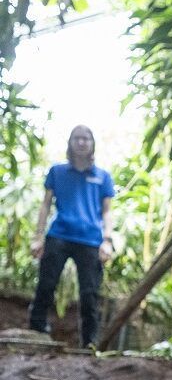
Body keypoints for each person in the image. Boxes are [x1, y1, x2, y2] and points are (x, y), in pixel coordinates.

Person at [29, 125, 115, 347]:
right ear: (70, 142)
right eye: (77, 138)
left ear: (92, 143)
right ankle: (37, 329)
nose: (81, 142)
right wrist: (38, 237)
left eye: (86, 138)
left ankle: (89, 343)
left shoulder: (103, 177)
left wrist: (107, 240)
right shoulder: (57, 172)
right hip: (59, 235)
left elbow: (107, 211)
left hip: (90, 241)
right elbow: (45, 205)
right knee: (46, 285)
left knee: (89, 294)